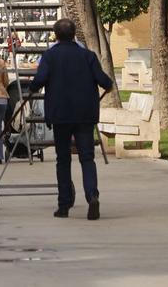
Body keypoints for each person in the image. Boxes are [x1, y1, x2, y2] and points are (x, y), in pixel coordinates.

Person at [29, 18, 113, 220]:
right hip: (84, 115)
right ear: (74, 34)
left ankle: (64, 205)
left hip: (60, 115)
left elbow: (40, 80)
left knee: (63, 159)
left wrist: (32, 89)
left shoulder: (50, 56)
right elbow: (104, 81)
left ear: (56, 35)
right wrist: (107, 85)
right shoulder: (88, 56)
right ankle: (92, 196)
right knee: (87, 158)